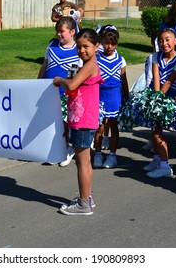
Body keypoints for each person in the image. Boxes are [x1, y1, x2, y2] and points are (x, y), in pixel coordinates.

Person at [53, 28, 103, 216]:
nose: (82, 50)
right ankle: (87, 196)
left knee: (81, 162)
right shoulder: (85, 65)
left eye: (86, 47)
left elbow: (72, 85)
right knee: (86, 161)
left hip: (83, 120)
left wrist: (60, 80)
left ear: (96, 46)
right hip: (82, 119)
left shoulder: (90, 65)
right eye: (80, 47)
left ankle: (83, 204)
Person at [38, 16, 80, 167]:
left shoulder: (78, 50)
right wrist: (37, 84)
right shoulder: (52, 45)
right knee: (52, 123)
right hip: (48, 93)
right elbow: (44, 66)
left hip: (66, 94)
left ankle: (68, 148)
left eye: (62, 31)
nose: (59, 34)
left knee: (65, 123)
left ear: (72, 32)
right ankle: (56, 149)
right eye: (57, 31)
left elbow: (76, 74)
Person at [143, 28, 176, 178]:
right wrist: (155, 98)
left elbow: (169, 81)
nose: (164, 43)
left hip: (167, 99)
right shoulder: (155, 56)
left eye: (168, 39)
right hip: (156, 96)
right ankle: (156, 159)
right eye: (161, 40)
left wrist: (159, 100)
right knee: (154, 131)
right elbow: (155, 77)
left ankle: (165, 165)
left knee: (157, 133)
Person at [93, 25, 129, 169]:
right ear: (101, 42)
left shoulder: (121, 60)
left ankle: (112, 155)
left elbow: (124, 81)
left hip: (115, 97)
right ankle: (97, 154)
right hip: (99, 95)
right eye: (106, 42)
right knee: (100, 127)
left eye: (113, 43)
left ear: (117, 44)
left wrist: (127, 98)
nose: (109, 46)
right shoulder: (95, 59)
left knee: (114, 126)